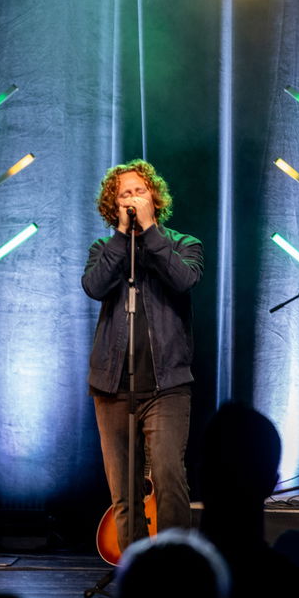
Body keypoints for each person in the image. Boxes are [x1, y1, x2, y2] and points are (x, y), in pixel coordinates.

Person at [82, 159, 203, 550]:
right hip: (112, 385)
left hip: (167, 385)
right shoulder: (104, 248)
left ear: (154, 197)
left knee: (169, 479)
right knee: (124, 491)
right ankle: (135, 577)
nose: (132, 198)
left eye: (139, 191)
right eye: (124, 194)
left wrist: (149, 231)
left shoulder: (184, 244)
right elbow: (95, 286)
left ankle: (174, 573)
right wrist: (122, 235)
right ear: (112, 205)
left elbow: (184, 280)